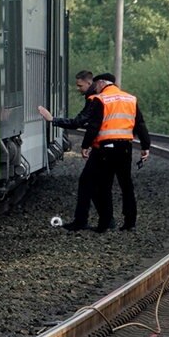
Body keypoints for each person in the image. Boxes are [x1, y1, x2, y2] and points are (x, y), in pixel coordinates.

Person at [81, 73, 150, 232]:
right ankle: (130, 222)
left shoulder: (101, 99)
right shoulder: (130, 99)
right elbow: (139, 124)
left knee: (105, 185)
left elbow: (94, 126)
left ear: (102, 83)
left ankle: (104, 223)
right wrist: (146, 146)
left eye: (96, 84)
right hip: (125, 147)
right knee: (126, 185)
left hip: (106, 148)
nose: (95, 87)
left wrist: (86, 145)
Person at [38, 70, 103, 231]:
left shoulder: (95, 99)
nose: (78, 89)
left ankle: (85, 222)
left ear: (89, 83)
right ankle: (103, 220)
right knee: (95, 183)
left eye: (80, 85)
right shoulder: (98, 97)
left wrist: (53, 119)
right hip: (110, 147)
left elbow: (79, 122)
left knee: (88, 182)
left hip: (103, 147)